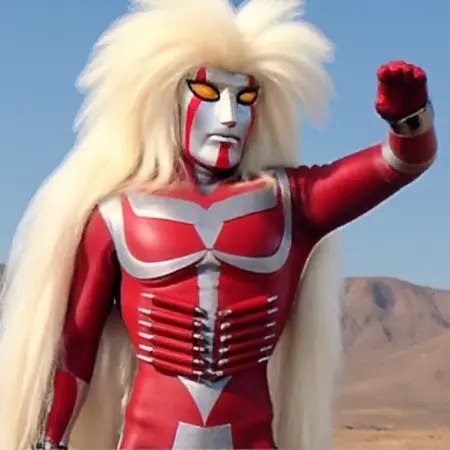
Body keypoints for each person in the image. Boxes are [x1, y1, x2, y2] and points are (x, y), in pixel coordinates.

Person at [0, 0, 437, 449]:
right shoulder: (117, 214)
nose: (230, 115)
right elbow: (75, 347)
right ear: (167, 98)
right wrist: (50, 440)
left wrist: (409, 121)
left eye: (245, 98)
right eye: (208, 92)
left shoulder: (290, 203)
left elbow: (400, 163)